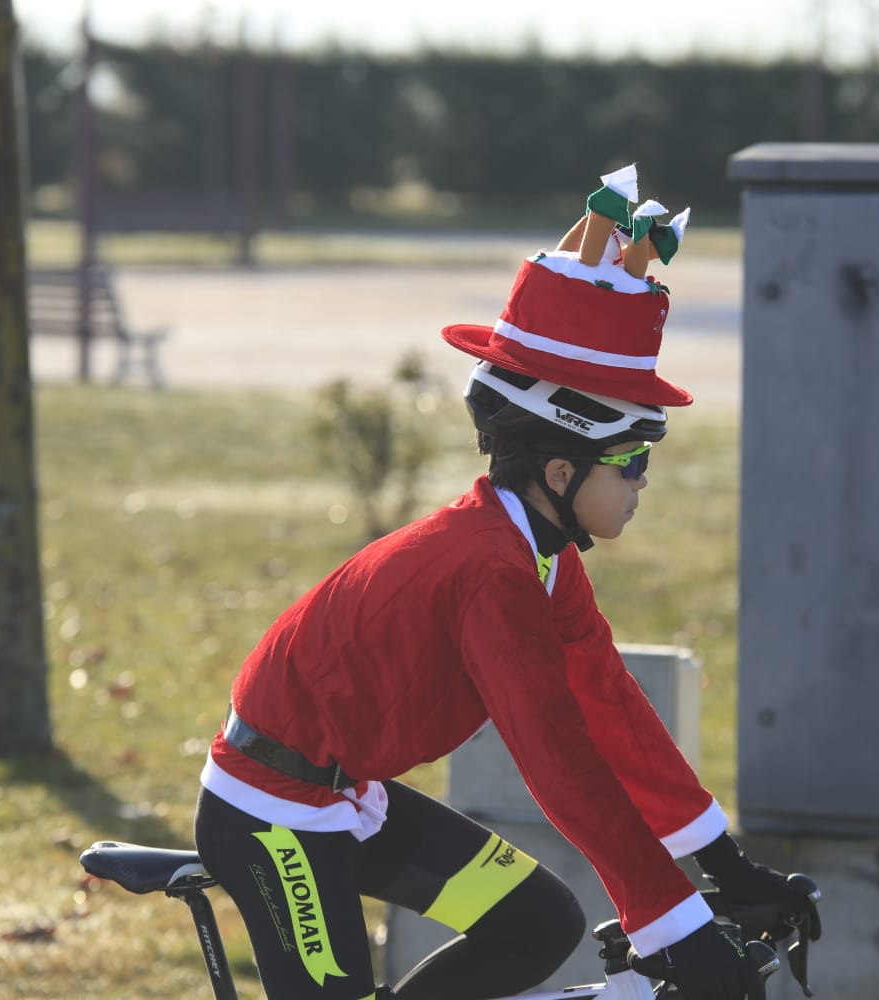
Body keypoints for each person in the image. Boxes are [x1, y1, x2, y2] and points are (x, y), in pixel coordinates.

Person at [194, 164, 821, 1000]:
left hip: (349, 794)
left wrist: (723, 866)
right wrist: (674, 929)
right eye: (633, 459)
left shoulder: (541, 554)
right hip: (271, 811)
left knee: (541, 926)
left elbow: (611, 709)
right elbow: (557, 758)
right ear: (561, 470)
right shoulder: (493, 572)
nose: (643, 482)